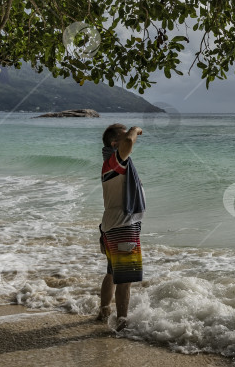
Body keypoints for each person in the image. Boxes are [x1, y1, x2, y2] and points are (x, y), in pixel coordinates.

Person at [96, 123, 146, 332]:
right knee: (125, 281)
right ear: (115, 143)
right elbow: (128, 143)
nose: (130, 137)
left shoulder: (113, 164)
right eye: (125, 135)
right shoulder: (114, 162)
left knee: (112, 273)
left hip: (114, 225)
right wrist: (135, 129)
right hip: (122, 227)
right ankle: (122, 323)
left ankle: (104, 310)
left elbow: (126, 143)